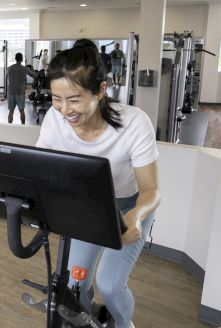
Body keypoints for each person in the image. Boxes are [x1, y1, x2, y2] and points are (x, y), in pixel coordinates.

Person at [35, 45, 160, 328]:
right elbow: (40, 169)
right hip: (88, 207)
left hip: (130, 208)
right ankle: (87, 319)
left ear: (101, 90)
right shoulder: (54, 119)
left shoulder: (134, 123)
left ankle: (123, 324)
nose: (65, 110)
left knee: (111, 285)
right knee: (75, 281)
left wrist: (136, 217)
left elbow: (152, 190)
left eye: (75, 100)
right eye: (57, 98)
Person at [6, 52, 36, 124]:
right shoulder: (24, 68)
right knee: (21, 111)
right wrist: (32, 69)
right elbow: (35, 75)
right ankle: (23, 125)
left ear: (15, 59)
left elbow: (8, 79)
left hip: (11, 92)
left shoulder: (9, 68)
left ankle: (9, 126)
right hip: (20, 92)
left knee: (11, 111)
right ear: (22, 59)